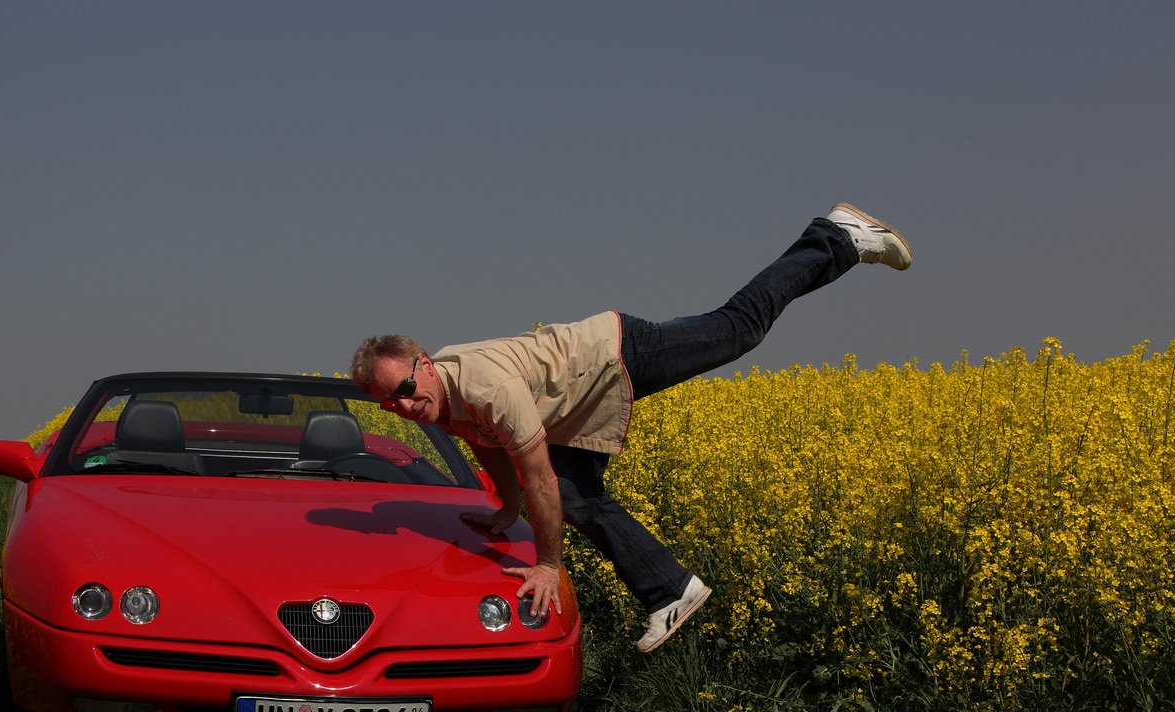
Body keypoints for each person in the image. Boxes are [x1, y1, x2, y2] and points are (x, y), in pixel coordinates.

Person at [349, 203, 911, 653]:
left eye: (402, 389)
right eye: (386, 405)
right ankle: (671, 590)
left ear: (423, 362)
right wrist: (506, 511)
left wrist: (548, 564)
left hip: (618, 352)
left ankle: (838, 236)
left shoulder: (484, 387)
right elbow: (487, 446)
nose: (401, 405)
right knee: (577, 497)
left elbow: (535, 472)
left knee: (740, 327)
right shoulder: (441, 401)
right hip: (581, 394)